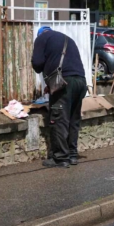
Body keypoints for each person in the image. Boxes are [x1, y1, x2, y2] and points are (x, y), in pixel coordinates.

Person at [31, 26, 87, 168]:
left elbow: (37, 64)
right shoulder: (67, 39)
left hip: (64, 84)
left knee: (59, 119)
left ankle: (60, 158)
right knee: (73, 120)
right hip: (81, 82)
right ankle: (72, 155)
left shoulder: (41, 38)